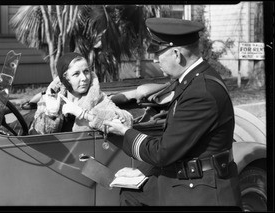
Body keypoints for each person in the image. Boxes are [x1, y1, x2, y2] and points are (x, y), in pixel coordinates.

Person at [104, 18, 242, 207]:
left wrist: (126, 132)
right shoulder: (192, 80)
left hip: (203, 191)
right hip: (191, 179)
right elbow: (177, 140)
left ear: (177, 54)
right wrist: (144, 170)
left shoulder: (201, 91)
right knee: (130, 195)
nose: (154, 59)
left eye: (158, 53)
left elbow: (164, 152)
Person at [29, 52, 133, 134]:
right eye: (76, 74)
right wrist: (50, 115)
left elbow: (126, 123)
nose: (84, 78)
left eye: (86, 71)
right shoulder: (50, 98)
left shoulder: (98, 98)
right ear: (65, 77)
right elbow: (35, 135)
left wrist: (85, 115)